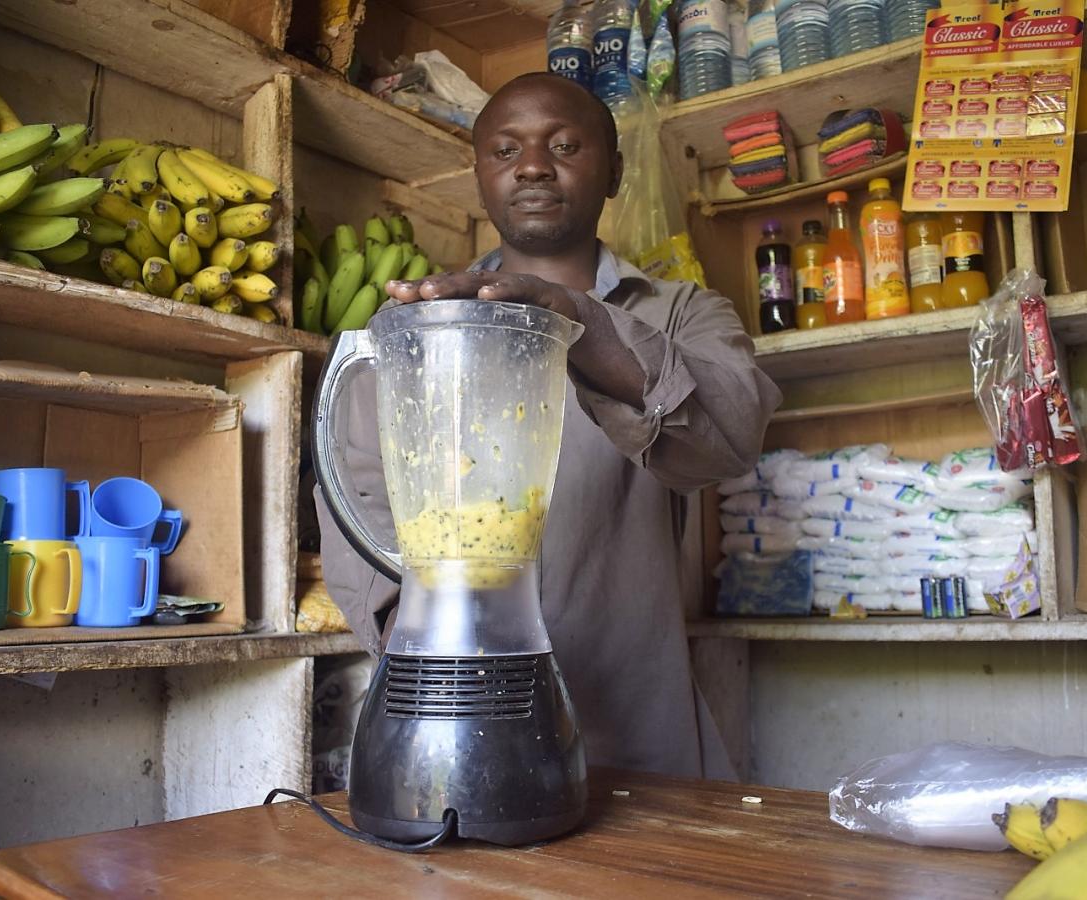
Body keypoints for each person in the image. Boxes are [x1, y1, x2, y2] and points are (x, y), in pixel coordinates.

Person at [316, 72, 781, 780]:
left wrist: (576, 322)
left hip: (639, 722)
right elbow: (356, 485)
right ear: (479, 175)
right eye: (505, 151)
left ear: (614, 171)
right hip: (457, 719)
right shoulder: (428, 324)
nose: (533, 165)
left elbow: (730, 435)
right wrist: (408, 631)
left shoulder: (683, 313)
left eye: (564, 144)